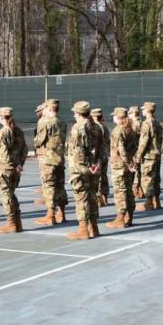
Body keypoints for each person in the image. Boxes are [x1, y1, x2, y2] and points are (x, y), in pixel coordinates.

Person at [66, 101, 101, 240]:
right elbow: (103, 147)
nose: (74, 114)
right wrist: (96, 163)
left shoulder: (78, 128)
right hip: (94, 168)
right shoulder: (96, 127)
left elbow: (79, 150)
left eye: (75, 112)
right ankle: (93, 227)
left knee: (81, 197)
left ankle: (83, 230)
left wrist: (87, 165)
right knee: (92, 197)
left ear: (79, 113)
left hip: (80, 168)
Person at [33, 99, 68, 226]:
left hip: (47, 160)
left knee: (49, 187)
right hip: (59, 159)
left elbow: (39, 141)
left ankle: (50, 215)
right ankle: (62, 213)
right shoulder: (62, 122)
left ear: (48, 109)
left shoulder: (46, 122)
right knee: (60, 187)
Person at [0, 107, 27, 233]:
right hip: (16, 168)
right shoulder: (18, 131)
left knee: (6, 196)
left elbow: (4, 154)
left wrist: (9, 165)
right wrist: (19, 164)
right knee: (11, 195)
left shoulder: (3, 133)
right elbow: (24, 150)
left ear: (2, 118)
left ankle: (11, 223)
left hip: (6, 168)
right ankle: (17, 222)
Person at [106, 107, 137, 229]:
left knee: (120, 191)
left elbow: (121, 149)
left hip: (120, 165)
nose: (113, 117)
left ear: (118, 117)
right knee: (128, 191)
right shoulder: (130, 129)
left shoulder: (118, 130)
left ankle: (120, 218)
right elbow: (135, 147)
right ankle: (129, 216)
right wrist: (131, 162)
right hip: (128, 165)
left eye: (114, 115)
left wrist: (128, 163)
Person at [135, 102, 163, 210]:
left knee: (147, 179)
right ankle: (157, 201)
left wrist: (138, 156)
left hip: (148, 156)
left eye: (143, 109)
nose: (142, 111)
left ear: (147, 110)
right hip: (157, 154)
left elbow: (143, 142)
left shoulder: (146, 124)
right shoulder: (158, 123)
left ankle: (149, 202)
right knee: (156, 178)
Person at [91, 108, 111, 207]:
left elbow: (95, 144)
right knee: (104, 176)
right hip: (105, 154)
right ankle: (105, 197)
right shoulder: (105, 126)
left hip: (98, 155)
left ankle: (99, 199)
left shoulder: (95, 128)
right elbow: (108, 141)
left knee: (97, 177)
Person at [128, 105, 144, 198]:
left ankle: (136, 190)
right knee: (138, 170)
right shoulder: (141, 122)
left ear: (134, 113)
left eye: (130, 113)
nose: (129, 115)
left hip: (135, 150)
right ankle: (138, 189)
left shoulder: (135, 124)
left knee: (135, 170)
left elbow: (133, 138)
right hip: (138, 149)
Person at [33, 103, 47, 205]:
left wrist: (36, 143)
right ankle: (44, 189)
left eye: (39, 110)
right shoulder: (41, 121)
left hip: (45, 152)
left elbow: (40, 138)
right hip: (43, 151)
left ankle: (46, 197)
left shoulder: (44, 122)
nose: (37, 112)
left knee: (46, 175)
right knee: (44, 174)